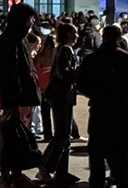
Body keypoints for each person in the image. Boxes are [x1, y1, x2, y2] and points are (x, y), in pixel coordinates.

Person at [77, 25, 128, 188]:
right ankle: (123, 181)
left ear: (103, 37)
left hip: (100, 108)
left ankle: (97, 182)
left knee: (97, 151)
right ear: (120, 38)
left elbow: (81, 83)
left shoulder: (92, 59)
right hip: (122, 109)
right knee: (122, 150)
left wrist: (95, 93)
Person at [0, 3, 40, 188]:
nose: (33, 22)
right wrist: (12, 99)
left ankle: (15, 172)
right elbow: (10, 72)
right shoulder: (11, 40)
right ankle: (10, 173)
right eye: (31, 18)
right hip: (15, 97)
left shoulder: (18, 39)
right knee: (12, 134)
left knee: (16, 134)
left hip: (21, 96)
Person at [38, 24, 79, 186]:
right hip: (61, 95)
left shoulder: (63, 48)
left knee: (64, 136)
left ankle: (62, 172)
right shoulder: (65, 50)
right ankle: (45, 166)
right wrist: (78, 73)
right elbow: (64, 73)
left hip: (60, 95)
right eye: (75, 32)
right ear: (69, 34)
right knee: (62, 135)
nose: (77, 35)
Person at [33, 35, 56, 141]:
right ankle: (58, 132)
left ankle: (48, 134)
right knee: (57, 112)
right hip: (54, 86)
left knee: (45, 112)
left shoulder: (40, 56)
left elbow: (36, 69)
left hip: (43, 87)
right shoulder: (56, 55)